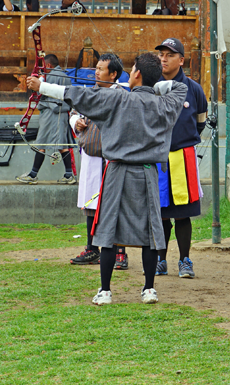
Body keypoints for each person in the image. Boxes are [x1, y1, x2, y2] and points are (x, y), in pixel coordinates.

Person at [26, 53, 187, 305]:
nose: (129, 73)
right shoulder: (165, 103)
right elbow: (180, 86)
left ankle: (105, 291)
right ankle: (148, 289)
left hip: (118, 171)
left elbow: (77, 95)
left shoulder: (116, 98)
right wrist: (152, 84)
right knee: (149, 231)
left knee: (108, 229)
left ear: (137, 75)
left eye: (132, 70)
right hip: (147, 172)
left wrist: (42, 86)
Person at [153, 38, 208, 279]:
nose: (163, 59)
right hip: (157, 157)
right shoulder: (151, 85)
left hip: (184, 157)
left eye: (169, 55)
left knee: (183, 213)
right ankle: (160, 259)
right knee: (161, 212)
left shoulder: (193, 89)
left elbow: (201, 122)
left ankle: (185, 260)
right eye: (161, 55)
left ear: (181, 60)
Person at [68, 53, 125, 266]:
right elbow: (73, 112)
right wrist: (76, 122)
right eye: (96, 68)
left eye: (101, 69)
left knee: (117, 205)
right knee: (91, 204)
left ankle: (120, 252)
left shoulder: (123, 96)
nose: (96, 72)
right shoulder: (89, 93)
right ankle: (92, 249)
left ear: (113, 74)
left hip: (114, 159)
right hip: (92, 157)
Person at [16, 54, 76, 184]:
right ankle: (68, 175)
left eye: (43, 67)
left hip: (52, 112)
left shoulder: (51, 76)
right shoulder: (64, 76)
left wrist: (36, 86)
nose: (42, 70)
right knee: (62, 143)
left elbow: (42, 92)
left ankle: (33, 175)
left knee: (42, 143)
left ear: (48, 65)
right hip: (62, 112)